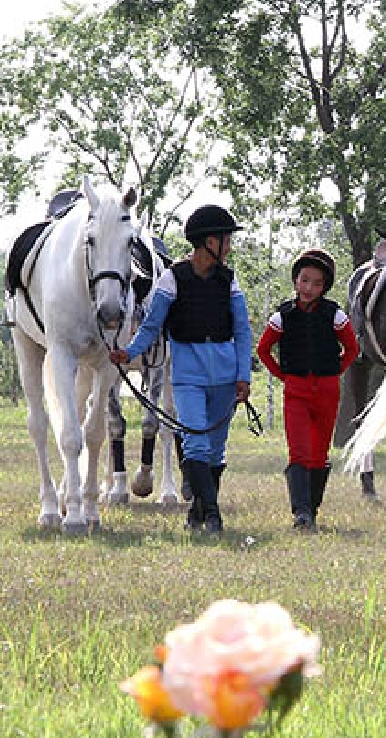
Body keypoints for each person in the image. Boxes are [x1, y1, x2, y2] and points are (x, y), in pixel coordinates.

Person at [109, 205, 252, 533]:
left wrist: (243, 376)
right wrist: (129, 353)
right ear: (208, 242)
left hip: (226, 375)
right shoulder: (172, 279)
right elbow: (152, 326)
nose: (229, 247)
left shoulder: (229, 280)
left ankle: (196, 514)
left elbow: (243, 331)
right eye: (225, 240)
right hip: (188, 376)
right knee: (196, 444)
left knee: (215, 450)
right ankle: (213, 516)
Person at [256, 249, 360, 531]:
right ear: (295, 280)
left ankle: (312, 508)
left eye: (316, 283)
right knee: (298, 449)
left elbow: (352, 348)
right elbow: (263, 349)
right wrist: (283, 376)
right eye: (304, 280)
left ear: (325, 287)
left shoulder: (335, 314)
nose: (309, 288)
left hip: (327, 390)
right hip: (296, 391)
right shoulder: (283, 316)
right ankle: (300, 512)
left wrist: (334, 371)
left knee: (319, 451)